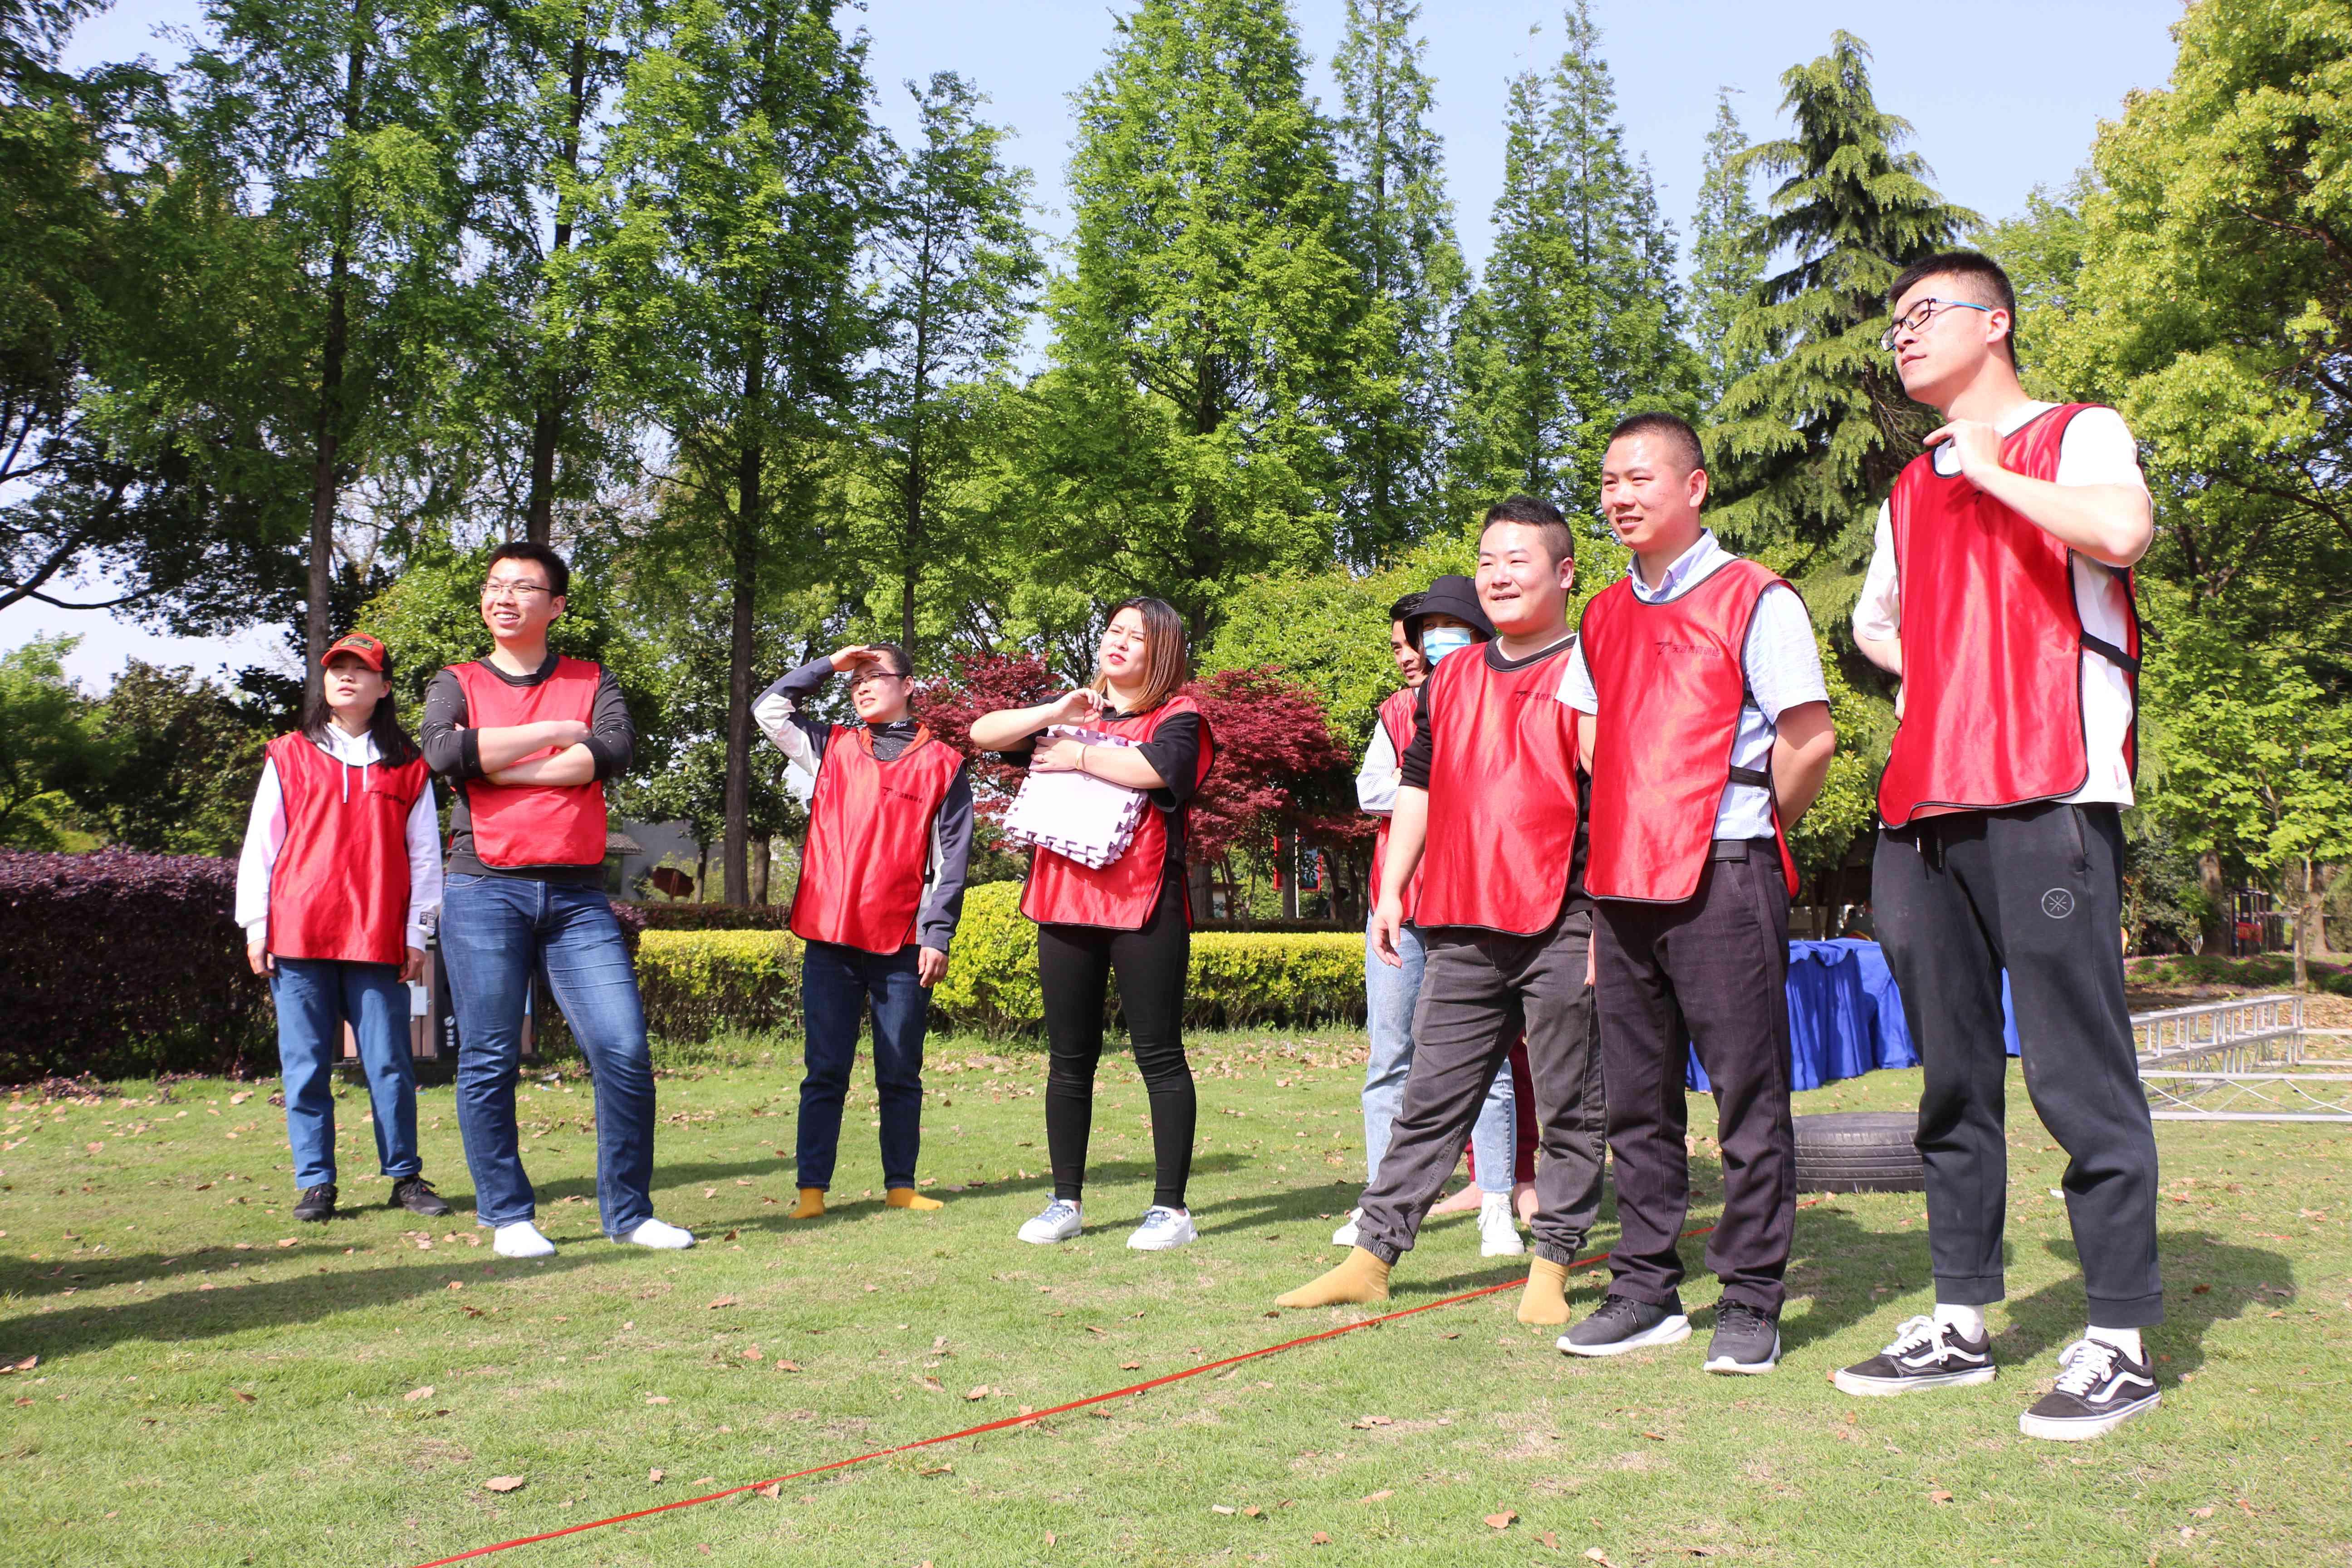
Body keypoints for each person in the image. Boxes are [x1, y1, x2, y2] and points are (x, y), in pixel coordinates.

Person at [1834, 250, 2162, 1441]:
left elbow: (2125, 530)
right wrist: (1939, 665)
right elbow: (1878, 622)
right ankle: (1961, 1320)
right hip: (1926, 809)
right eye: (1896, 324)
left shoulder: (2074, 433)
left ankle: (2120, 1335)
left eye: (1926, 315)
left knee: (2080, 1069)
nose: (1905, 337)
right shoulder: (1909, 489)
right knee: (1951, 1079)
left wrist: (1991, 473)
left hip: (2049, 792)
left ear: (1997, 320)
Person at [1275, 496, 1606, 1326]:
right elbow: (1417, 784)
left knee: (1568, 1101)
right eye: (1487, 560)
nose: (1497, 575)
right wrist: (1392, 890)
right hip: (1459, 920)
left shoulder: (1587, 669)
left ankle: (1551, 1264)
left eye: (1517, 560)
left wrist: (1603, 921)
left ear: (1563, 573)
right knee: (1429, 1096)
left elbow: (1613, 800)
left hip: (1561, 918)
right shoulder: (1451, 677)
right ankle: (1371, 1257)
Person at [1558, 413, 1836, 1375]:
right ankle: (1644, 1289)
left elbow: (1809, 740)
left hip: (1726, 872)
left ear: (1695, 486)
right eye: (1607, 481)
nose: (1620, 496)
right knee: (1635, 1102)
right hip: (1625, 884)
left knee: (1748, 1100)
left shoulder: (1757, 599)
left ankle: (1753, 1296)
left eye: (1639, 477)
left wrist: (1747, 831)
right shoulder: (1600, 613)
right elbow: (1596, 749)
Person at [420, 542, 692, 1259]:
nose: (503, 597)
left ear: (557, 605)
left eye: (522, 587)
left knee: (624, 1048)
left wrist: (493, 763)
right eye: (493, 586)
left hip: (577, 897)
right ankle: (508, 1216)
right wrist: (550, 737)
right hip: (483, 887)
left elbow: (612, 752)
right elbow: (445, 758)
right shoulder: (455, 681)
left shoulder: (593, 678)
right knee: (488, 1055)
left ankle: (629, 1213)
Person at [969, 599, 1217, 1252]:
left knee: (1159, 1055)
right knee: (1069, 1058)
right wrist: (1056, 715)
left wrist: (1076, 754)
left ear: (1160, 652)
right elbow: (984, 734)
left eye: (1137, 637)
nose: (1120, 644)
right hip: (1063, 900)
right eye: (1114, 632)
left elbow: (1159, 771)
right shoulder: (1074, 714)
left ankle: (1171, 1210)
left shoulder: (1181, 717)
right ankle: (1065, 1200)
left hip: (1145, 904)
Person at [753, 641, 974, 1218]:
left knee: (901, 1070)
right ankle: (811, 1192)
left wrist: (938, 934)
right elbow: (769, 711)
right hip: (829, 938)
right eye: (857, 680)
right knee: (825, 1069)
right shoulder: (829, 746)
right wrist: (830, 664)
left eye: (877, 676)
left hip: (902, 943)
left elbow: (952, 859)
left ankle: (901, 1185)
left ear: (909, 686)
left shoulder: (944, 764)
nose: (864, 686)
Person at [1338, 580, 1525, 1260]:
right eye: (1425, 633)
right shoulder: (1395, 711)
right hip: (1402, 904)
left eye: (1448, 628)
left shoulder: (1508, 693)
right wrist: (1446, 783)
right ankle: (1378, 1211)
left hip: (1479, 901)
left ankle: (1497, 1204)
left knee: (1490, 1065)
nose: (1429, 645)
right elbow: (1374, 790)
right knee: (1389, 1057)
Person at [235, 632, 450, 1225]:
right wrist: (256, 924)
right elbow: (262, 847)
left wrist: (418, 933)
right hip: (299, 933)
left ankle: (404, 1176)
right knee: (304, 1064)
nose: (347, 677)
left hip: (378, 937)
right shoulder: (289, 755)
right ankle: (316, 1182)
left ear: (384, 688)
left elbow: (426, 857)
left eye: (362, 670)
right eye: (337, 669)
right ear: (324, 683)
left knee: (389, 1062)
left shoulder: (409, 766)